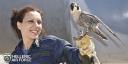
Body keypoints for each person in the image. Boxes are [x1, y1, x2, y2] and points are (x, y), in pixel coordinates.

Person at [9, 6, 81, 64]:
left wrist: (84, 53)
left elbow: (74, 57)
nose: (36, 25)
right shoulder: (15, 56)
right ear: (19, 25)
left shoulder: (51, 43)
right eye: (30, 21)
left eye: (39, 22)